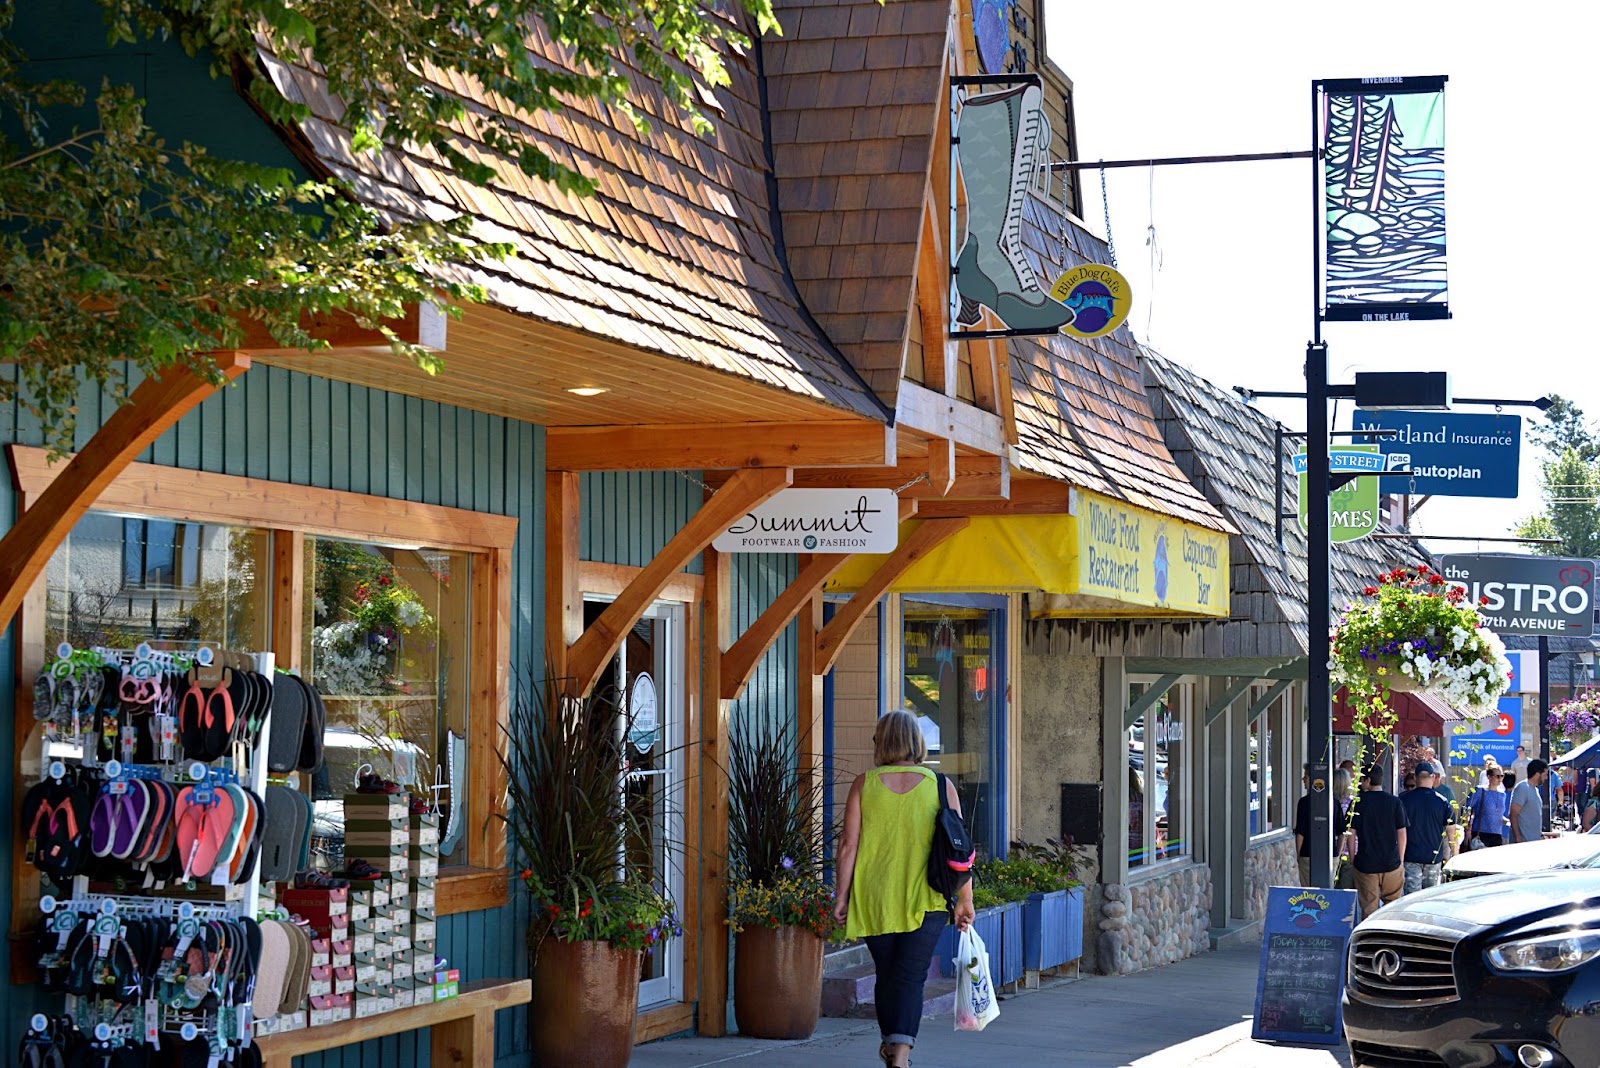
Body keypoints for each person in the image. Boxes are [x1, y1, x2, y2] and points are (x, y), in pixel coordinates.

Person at [833, 710, 975, 1068]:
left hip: (874, 897)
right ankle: (900, 1054)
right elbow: (960, 848)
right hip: (926, 898)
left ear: (881, 742)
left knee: (888, 974)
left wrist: (841, 896)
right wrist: (965, 899)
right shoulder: (941, 786)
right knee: (911, 976)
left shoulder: (864, 784)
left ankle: (894, 1047)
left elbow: (848, 845)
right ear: (917, 742)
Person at [1343, 766, 1408, 919]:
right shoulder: (1395, 802)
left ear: (1368, 780)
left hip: (1366, 864)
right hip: (1391, 863)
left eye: (1361, 779)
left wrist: (1353, 858)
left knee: (1369, 909)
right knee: (1393, 908)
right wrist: (1400, 859)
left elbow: (1350, 834)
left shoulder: (1357, 803)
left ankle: (1371, 941)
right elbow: (1402, 833)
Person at [1399, 761, 1453, 894]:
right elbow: (1451, 832)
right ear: (1433, 777)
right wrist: (1453, 855)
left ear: (1416, 778)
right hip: (1433, 857)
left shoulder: (1403, 800)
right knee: (1430, 898)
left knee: (1411, 898)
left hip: (1410, 856)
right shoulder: (1443, 802)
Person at [1509, 759, 1549, 844]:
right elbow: (1513, 814)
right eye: (1545, 775)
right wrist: (1517, 837)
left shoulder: (1536, 790)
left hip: (1534, 841)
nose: (1546, 778)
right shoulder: (1522, 788)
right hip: (1523, 842)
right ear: (1537, 774)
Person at [1468, 767, 1509, 847]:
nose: (1500, 779)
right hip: (1481, 833)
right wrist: (1467, 828)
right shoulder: (1480, 791)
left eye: (1502, 776)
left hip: (1497, 834)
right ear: (1489, 777)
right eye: (1497, 776)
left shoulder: (1502, 795)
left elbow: (1498, 814)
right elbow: (1467, 807)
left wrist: (1508, 822)